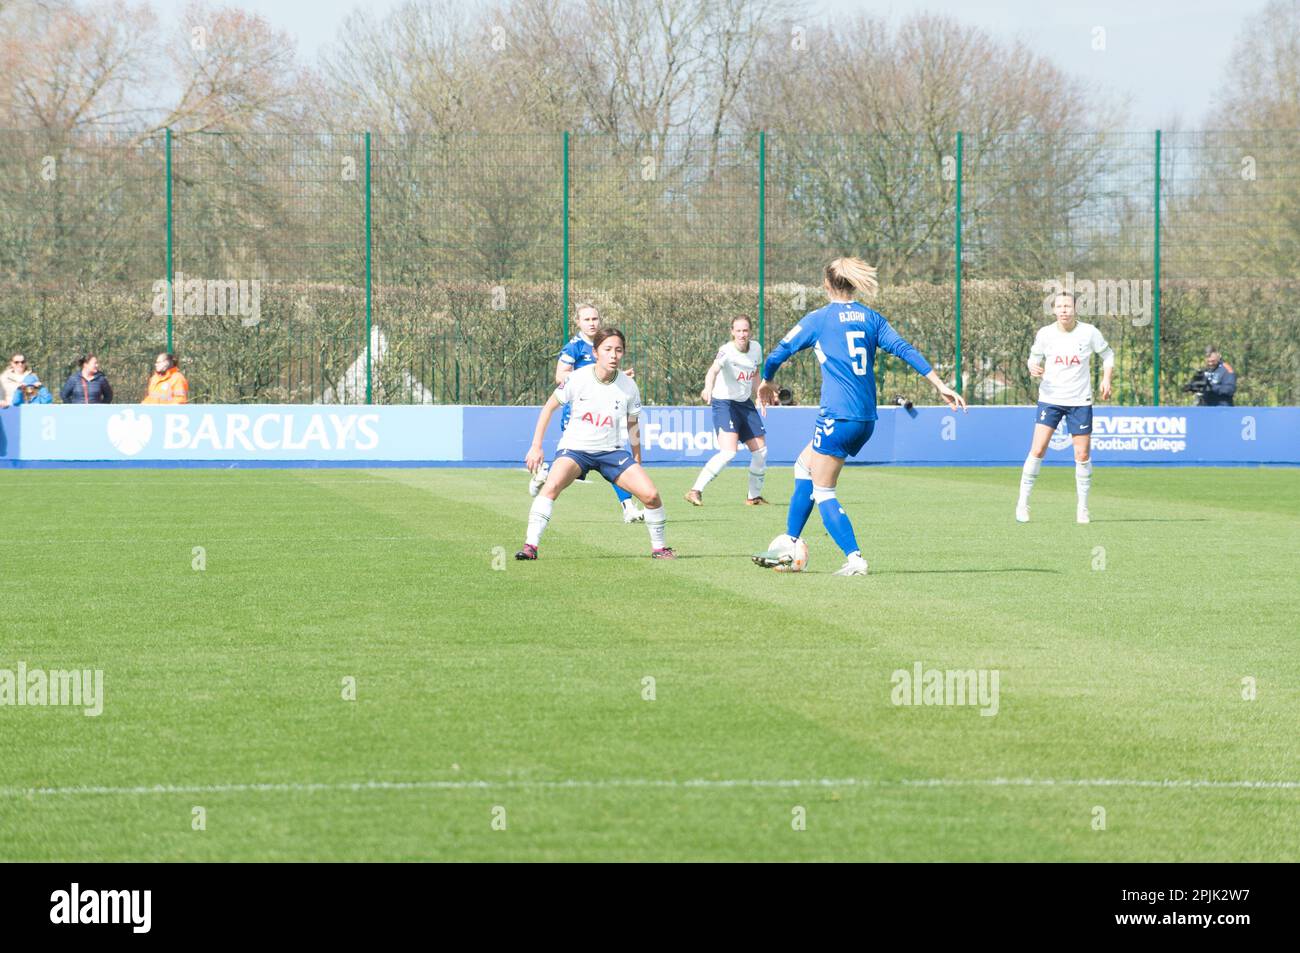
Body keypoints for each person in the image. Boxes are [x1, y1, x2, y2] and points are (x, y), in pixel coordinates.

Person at [755, 257, 965, 576]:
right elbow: (905, 349)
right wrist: (939, 384)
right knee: (803, 464)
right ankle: (790, 539)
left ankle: (855, 558)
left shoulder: (818, 319)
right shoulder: (872, 318)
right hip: (865, 418)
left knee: (823, 489)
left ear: (826, 285)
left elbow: (776, 354)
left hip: (837, 416)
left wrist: (767, 382)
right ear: (853, 284)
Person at [517, 328, 674, 561]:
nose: (613, 355)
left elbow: (633, 425)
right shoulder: (577, 378)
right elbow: (549, 407)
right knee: (551, 488)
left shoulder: (629, 386)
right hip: (576, 450)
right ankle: (530, 546)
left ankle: (659, 548)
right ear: (596, 352)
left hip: (612, 452)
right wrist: (536, 445)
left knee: (651, 495)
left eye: (618, 350)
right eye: (608, 349)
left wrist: (637, 460)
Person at [529, 303, 645, 524]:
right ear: (578, 322)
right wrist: (586, 379)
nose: (592, 323)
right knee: (573, 466)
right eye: (587, 319)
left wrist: (618, 375)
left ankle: (628, 507)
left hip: (606, 411)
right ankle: (544, 475)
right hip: (580, 415)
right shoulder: (574, 347)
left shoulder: (606, 344)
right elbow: (559, 376)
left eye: (595, 319)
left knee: (614, 454)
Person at [1016, 291, 1114, 525]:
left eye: (1068, 306)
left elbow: (1108, 355)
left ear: (1075, 309)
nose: (1064, 310)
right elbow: (1033, 358)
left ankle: (1083, 508)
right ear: (1053, 310)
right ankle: (1022, 503)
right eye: (1059, 306)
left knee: (1082, 455)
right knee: (1038, 450)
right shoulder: (1045, 334)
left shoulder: (1089, 332)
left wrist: (1107, 379)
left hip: (1079, 401)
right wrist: (1033, 367)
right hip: (1050, 398)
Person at [685, 315, 768, 506]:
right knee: (729, 452)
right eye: (738, 331)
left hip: (745, 404)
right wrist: (707, 388)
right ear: (732, 332)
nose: (742, 334)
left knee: (761, 452)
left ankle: (753, 497)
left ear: (750, 332)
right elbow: (713, 371)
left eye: (745, 330)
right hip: (724, 404)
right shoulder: (726, 351)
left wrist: (759, 394)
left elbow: (755, 373)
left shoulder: (756, 348)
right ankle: (695, 491)